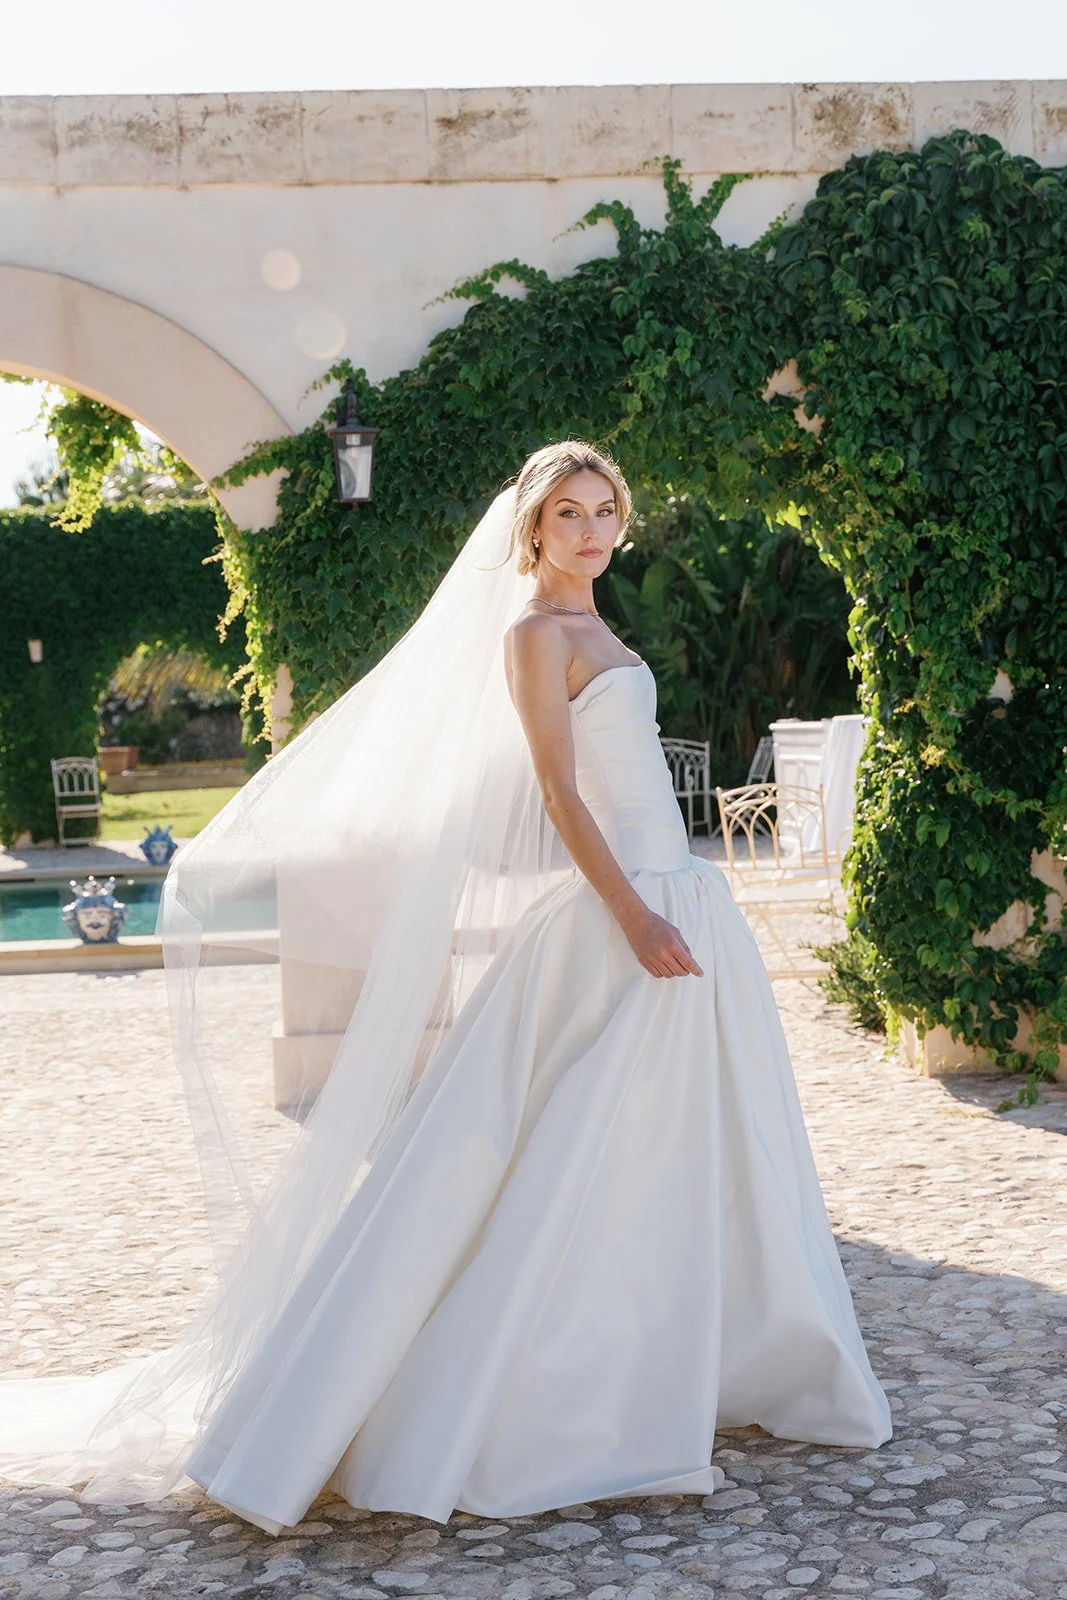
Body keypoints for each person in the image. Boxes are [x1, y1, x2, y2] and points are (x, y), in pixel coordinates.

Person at [0, 440, 890, 1530]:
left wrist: (676, 895)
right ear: (532, 527)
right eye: (569, 513)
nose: (594, 530)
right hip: (626, 912)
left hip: (679, 895)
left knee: (677, 1140)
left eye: (605, 510)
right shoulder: (531, 633)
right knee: (555, 1149)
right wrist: (634, 914)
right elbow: (560, 797)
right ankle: (526, 1397)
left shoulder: (600, 624)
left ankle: (669, 1360)